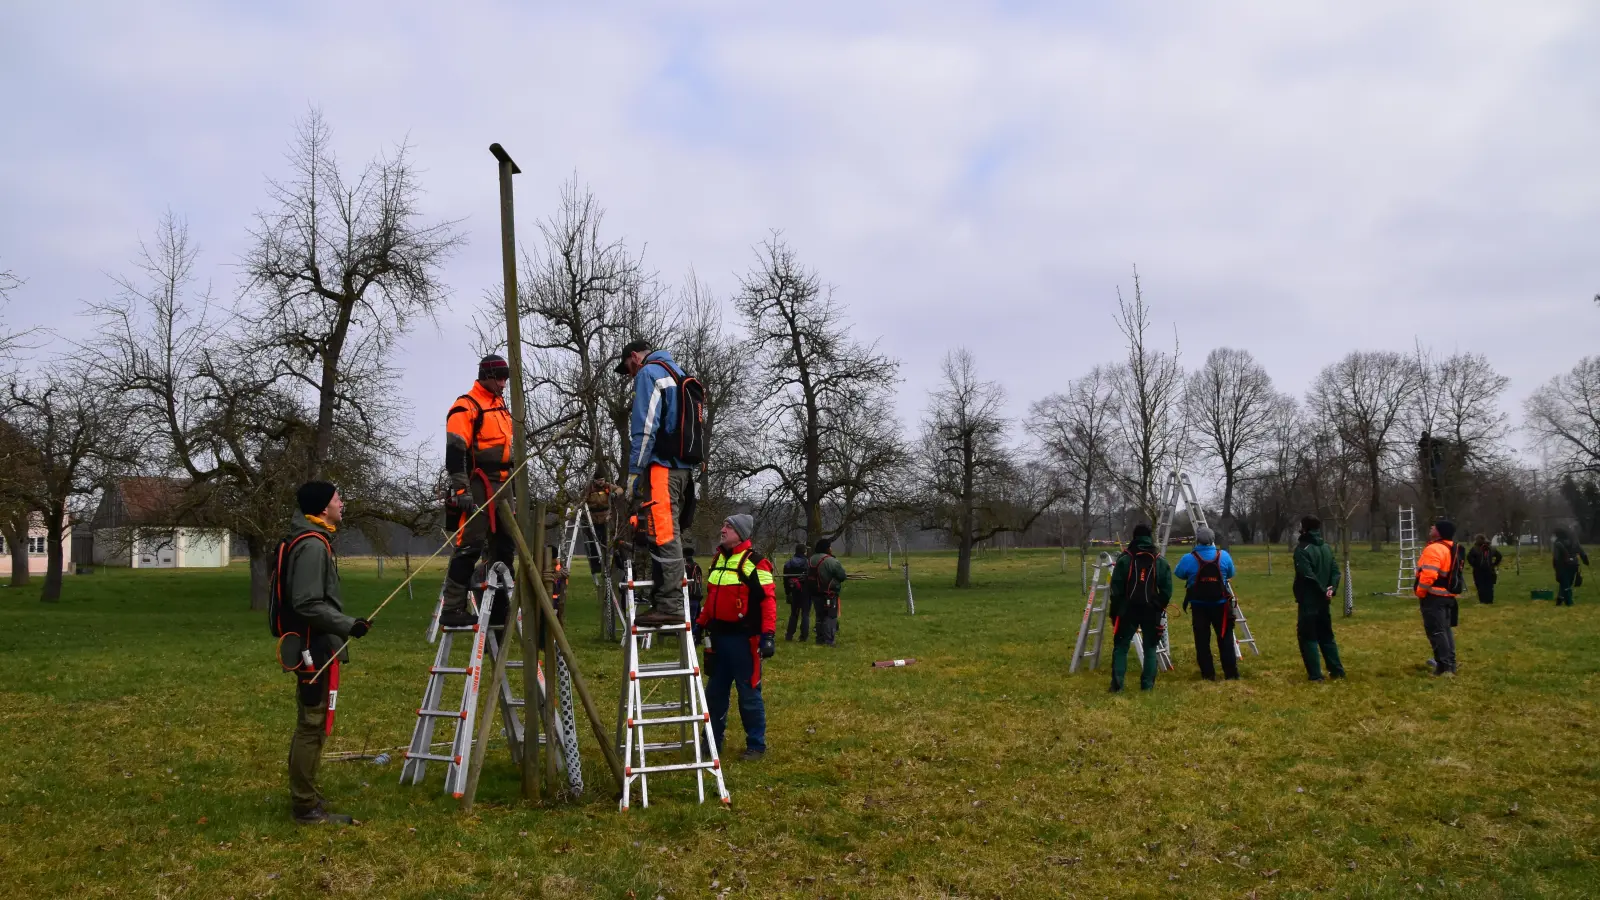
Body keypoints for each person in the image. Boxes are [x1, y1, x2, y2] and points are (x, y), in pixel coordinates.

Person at [282, 481, 370, 825]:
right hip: (313, 646)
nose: (342, 503)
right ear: (322, 508)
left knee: (314, 723)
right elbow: (306, 603)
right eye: (337, 498)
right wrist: (347, 625)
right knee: (312, 724)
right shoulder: (313, 546)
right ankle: (305, 806)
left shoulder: (314, 540)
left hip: (316, 642)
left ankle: (308, 795)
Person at [616, 339, 698, 627]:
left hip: (663, 466)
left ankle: (670, 604)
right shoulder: (678, 372)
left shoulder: (650, 374)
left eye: (628, 367)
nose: (630, 375)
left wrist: (635, 471)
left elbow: (645, 426)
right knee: (667, 530)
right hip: (684, 468)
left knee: (664, 533)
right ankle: (667, 599)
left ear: (635, 357)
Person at [438, 355, 516, 628]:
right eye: (499, 378)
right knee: (469, 545)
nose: (503, 384)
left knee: (506, 546)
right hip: (477, 483)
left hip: (504, 483)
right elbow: (455, 451)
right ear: (485, 376)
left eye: (506, 378)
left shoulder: (501, 406)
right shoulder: (465, 406)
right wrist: (461, 489)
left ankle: (500, 608)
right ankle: (453, 605)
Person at [694, 514, 776, 761]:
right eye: (723, 524)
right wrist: (700, 624)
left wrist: (768, 635)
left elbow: (768, 601)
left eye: (728, 526)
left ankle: (756, 745)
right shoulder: (718, 560)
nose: (723, 529)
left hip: (744, 641)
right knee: (714, 695)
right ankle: (711, 742)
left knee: (749, 694)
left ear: (741, 533)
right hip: (718, 639)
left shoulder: (756, 563)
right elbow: (711, 599)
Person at [1107, 523, 1173, 692]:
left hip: (1128, 610)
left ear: (1134, 537)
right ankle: (1147, 686)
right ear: (1150, 537)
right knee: (1150, 648)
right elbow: (1167, 589)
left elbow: (1115, 588)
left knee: (1121, 647)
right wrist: (1158, 605)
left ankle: (1117, 686)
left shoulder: (1125, 558)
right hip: (1151, 610)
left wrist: (1116, 611)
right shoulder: (1159, 559)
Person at [1173, 525, 1238, 681]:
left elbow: (1179, 573)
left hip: (1198, 605)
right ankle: (1231, 674)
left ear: (1197, 540)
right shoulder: (1224, 556)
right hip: (1221, 604)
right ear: (1213, 540)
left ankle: (1208, 674)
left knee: (1202, 641)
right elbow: (1231, 573)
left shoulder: (1188, 558)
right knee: (1225, 639)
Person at [1293, 515, 1345, 681]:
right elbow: (1336, 571)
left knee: (1308, 637)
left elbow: (1307, 575)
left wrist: (1323, 590)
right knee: (1327, 636)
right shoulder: (1326, 547)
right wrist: (1331, 588)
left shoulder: (1302, 549)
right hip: (1324, 601)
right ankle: (1337, 671)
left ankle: (1316, 675)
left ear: (1305, 528)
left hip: (1310, 600)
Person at [1414, 519, 1463, 676]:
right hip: (1448, 596)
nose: (1431, 527)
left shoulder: (1434, 549)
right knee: (1445, 630)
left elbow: (1429, 574)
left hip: (1433, 596)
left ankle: (1444, 667)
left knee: (1436, 632)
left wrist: (1421, 592)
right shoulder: (1452, 547)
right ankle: (1450, 663)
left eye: (1434, 526)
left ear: (1439, 532)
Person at [804, 538, 848, 646]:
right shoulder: (830, 561)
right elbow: (842, 576)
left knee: (819, 616)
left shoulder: (810, 559)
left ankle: (820, 639)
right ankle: (829, 640)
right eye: (830, 547)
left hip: (814, 592)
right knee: (830, 616)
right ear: (827, 548)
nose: (831, 549)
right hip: (828, 594)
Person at [583, 468, 623, 583]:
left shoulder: (607, 486)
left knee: (606, 543)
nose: (601, 482)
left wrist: (615, 494)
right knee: (594, 544)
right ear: (594, 480)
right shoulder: (589, 488)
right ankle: (596, 567)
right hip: (592, 519)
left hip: (606, 518)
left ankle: (607, 566)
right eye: (598, 480)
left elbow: (620, 489)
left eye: (602, 479)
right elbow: (582, 500)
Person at [1551, 526, 1589, 607]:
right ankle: (1560, 599)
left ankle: (1569, 602)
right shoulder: (1574, 540)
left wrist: (1555, 566)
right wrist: (1585, 560)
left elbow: (1556, 557)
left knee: (1565, 583)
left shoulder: (1558, 542)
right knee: (1567, 582)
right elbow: (1581, 551)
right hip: (1574, 564)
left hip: (1562, 565)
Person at [782, 543, 811, 641]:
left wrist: (787, 592)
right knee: (805, 614)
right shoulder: (807, 563)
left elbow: (785, 579)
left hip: (793, 590)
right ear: (804, 552)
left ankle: (789, 635)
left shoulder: (788, 563)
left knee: (794, 613)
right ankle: (804, 636)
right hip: (805, 591)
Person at [1467, 534, 1503, 605]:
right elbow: (1499, 556)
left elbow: (1469, 558)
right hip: (1490, 570)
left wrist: (1474, 565)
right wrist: (1494, 564)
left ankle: (1483, 601)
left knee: (1480, 586)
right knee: (1489, 586)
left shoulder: (1475, 549)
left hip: (1478, 571)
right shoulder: (1491, 548)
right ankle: (1489, 601)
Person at [684, 546, 705, 625]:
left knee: (689, 622)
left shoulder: (685, 567)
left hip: (689, 598)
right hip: (696, 598)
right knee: (694, 620)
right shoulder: (696, 566)